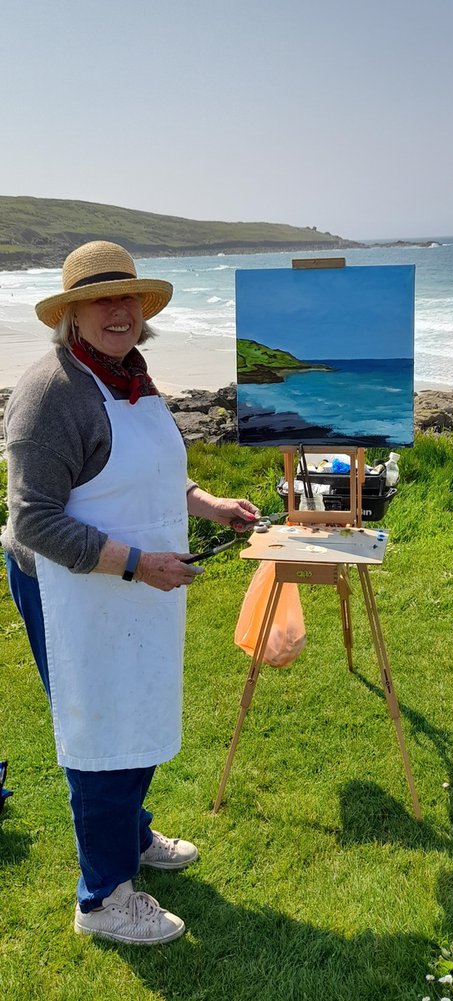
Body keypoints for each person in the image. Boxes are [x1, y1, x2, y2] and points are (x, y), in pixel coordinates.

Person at [1, 240, 258, 945]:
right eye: (100, 299)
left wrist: (210, 503)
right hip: (68, 587)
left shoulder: (132, 375)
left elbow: (146, 472)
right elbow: (34, 519)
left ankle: (130, 834)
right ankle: (103, 899)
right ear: (72, 315)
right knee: (100, 726)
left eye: (128, 298)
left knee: (138, 703)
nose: (119, 310)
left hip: (135, 576)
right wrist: (135, 563)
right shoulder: (51, 392)